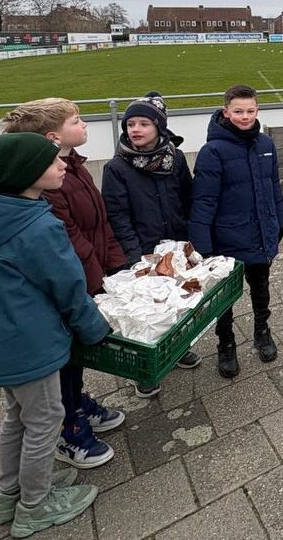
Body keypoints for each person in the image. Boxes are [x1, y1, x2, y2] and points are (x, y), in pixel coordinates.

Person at [0, 132, 105, 537]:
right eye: (52, 161)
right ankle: (34, 507)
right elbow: (68, 287)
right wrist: (94, 329)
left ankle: (11, 495)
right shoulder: (37, 225)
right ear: (28, 173)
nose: (62, 165)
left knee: (18, 418)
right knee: (45, 420)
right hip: (29, 341)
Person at [0, 99, 123, 469]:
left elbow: (98, 225)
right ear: (53, 136)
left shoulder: (74, 167)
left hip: (88, 277)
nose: (85, 125)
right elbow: (69, 243)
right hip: (73, 285)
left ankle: (75, 402)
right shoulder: (50, 181)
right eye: (77, 120)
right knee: (67, 355)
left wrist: (116, 266)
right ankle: (68, 425)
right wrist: (95, 283)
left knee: (75, 356)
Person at [101, 92, 200, 398]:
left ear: (159, 126)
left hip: (176, 244)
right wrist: (134, 256)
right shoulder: (116, 168)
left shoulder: (175, 158)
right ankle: (145, 371)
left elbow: (187, 197)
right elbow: (117, 216)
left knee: (178, 304)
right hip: (141, 251)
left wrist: (189, 239)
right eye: (130, 124)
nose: (136, 129)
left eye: (144, 123)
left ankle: (178, 347)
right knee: (145, 315)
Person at [189, 85, 283, 378]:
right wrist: (203, 246)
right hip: (227, 240)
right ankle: (226, 343)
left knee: (261, 289)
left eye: (250, 111)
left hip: (260, 235)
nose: (245, 117)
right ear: (226, 112)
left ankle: (261, 330)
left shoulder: (266, 144)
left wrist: (280, 221)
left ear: (257, 111)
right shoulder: (213, 152)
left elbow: (274, 188)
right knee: (225, 298)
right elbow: (203, 201)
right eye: (238, 111)